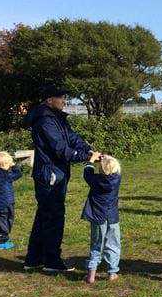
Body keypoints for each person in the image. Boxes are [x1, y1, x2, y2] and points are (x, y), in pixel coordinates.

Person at [23, 84, 100, 273]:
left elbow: (72, 138)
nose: (64, 101)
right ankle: (51, 261)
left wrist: (87, 149)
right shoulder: (45, 121)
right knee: (53, 217)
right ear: (49, 100)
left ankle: (34, 259)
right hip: (50, 174)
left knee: (44, 215)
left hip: (57, 172)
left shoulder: (57, 118)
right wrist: (84, 157)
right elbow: (60, 149)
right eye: (61, 98)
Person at [81, 155, 122, 284]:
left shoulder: (95, 180)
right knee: (113, 244)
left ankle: (91, 275)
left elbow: (87, 172)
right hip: (112, 216)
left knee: (96, 244)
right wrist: (108, 158)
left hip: (98, 217)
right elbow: (113, 168)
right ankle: (112, 272)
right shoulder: (117, 179)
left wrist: (91, 160)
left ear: (101, 170)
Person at [0, 151, 23, 249]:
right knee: (6, 221)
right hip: (6, 202)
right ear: (7, 164)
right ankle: (3, 241)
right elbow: (18, 174)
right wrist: (14, 166)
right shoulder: (6, 175)